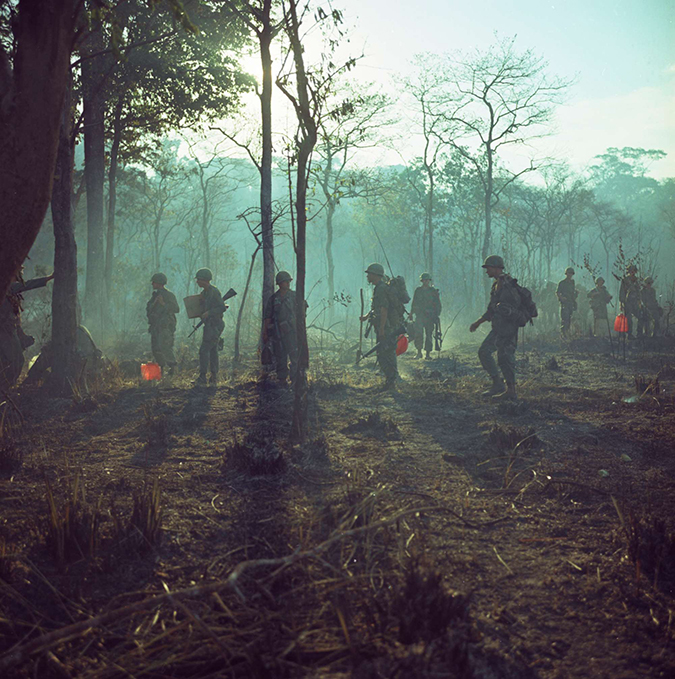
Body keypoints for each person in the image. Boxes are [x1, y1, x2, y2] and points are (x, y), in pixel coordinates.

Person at [469, 255, 522, 401]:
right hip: (498, 328)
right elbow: (492, 309)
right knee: (484, 352)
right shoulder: (496, 285)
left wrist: (507, 313)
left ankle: (511, 390)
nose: (487, 271)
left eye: (489, 268)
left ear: (497, 268)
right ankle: (498, 384)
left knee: (505, 357)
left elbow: (515, 306)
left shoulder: (508, 285)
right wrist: (478, 322)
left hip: (508, 329)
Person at [0, 270, 54, 389]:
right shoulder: (7, 286)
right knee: (17, 361)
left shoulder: (10, 289)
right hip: (5, 332)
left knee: (12, 361)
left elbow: (15, 319)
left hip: (10, 330)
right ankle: (6, 388)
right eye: (19, 273)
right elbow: (28, 285)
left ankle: (6, 387)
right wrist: (48, 278)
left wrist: (22, 336)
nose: (21, 276)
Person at [360, 263, 399, 390]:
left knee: (385, 352)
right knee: (383, 352)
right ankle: (389, 379)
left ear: (375, 275)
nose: (367, 276)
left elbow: (384, 309)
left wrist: (382, 329)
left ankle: (391, 380)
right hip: (384, 326)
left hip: (386, 327)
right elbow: (376, 308)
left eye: (369, 274)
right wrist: (366, 316)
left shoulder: (381, 288)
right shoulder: (379, 288)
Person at [262, 271, 302, 385]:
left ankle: (295, 381)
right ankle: (282, 380)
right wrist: (265, 332)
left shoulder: (295, 296)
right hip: (278, 333)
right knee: (280, 357)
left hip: (292, 333)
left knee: (294, 356)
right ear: (279, 283)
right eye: (285, 281)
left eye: (288, 281)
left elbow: (302, 312)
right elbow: (268, 317)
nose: (288, 283)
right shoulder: (273, 299)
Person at [194, 268, 225, 386]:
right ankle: (213, 376)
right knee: (212, 350)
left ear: (205, 280)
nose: (197, 282)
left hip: (215, 325)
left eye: (199, 279)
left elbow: (222, 307)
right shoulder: (204, 293)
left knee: (204, 350)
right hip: (209, 325)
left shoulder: (214, 292)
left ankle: (203, 376)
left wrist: (209, 313)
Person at [146, 272, 179, 375]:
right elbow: (148, 309)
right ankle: (161, 370)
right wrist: (155, 303)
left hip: (165, 327)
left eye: (154, 282)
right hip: (155, 326)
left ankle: (172, 369)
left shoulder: (169, 295)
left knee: (165, 347)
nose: (152, 284)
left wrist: (163, 304)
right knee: (156, 349)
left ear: (159, 283)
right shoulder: (154, 296)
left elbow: (176, 309)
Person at [411, 272, 441, 359]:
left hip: (430, 317)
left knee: (429, 335)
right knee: (418, 334)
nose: (426, 281)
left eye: (427, 280)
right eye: (424, 280)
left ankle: (428, 354)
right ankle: (419, 352)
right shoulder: (418, 291)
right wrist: (411, 313)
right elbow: (414, 303)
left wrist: (436, 315)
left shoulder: (433, 291)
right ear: (422, 281)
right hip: (420, 315)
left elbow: (438, 304)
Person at [619, 264, 641, 339]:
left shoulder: (636, 281)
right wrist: (621, 303)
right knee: (628, 319)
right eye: (631, 271)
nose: (632, 272)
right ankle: (629, 334)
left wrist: (639, 301)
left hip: (635, 302)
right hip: (627, 302)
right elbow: (622, 292)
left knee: (641, 316)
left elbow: (638, 291)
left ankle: (640, 333)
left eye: (633, 271)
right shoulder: (625, 280)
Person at [556, 267, 577, 338]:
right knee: (565, 318)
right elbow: (558, 292)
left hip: (570, 303)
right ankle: (564, 333)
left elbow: (573, 294)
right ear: (566, 274)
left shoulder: (572, 283)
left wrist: (575, 297)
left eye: (571, 273)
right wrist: (562, 298)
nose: (570, 275)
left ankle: (567, 332)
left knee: (569, 318)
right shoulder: (562, 283)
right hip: (565, 303)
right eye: (569, 273)